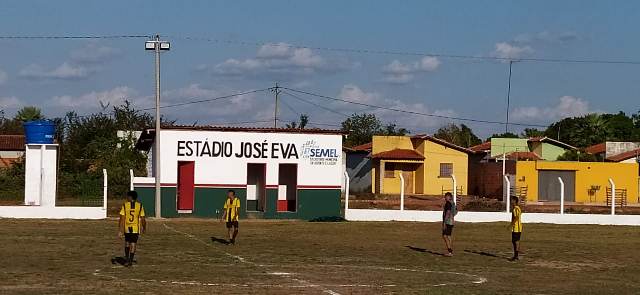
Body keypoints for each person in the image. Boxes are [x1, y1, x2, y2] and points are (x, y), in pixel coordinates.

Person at [118, 191, 146, 267]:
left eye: (128, 196)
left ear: (130, 197)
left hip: (127, 228)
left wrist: (120, 230)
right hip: (135, 228)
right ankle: (130, 261)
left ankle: (127, 259)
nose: (127, 198)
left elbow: (121, 218)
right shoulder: (139, 206)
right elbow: (143, 218)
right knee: (133, 243)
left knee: (127, 242)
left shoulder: (125, 205)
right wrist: (144, 227)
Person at [442, 192, 457, 257]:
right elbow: (456, 211)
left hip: (448, 222)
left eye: (446, 196)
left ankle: (450, 251)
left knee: (444, 236)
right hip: (452, 221)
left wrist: (444, 222)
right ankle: (450, 250)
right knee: (448, 236)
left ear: (449, 197)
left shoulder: (448, 203)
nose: (445, 198)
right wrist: (452, 216)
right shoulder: (453, 203)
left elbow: (447, 212)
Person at [510, 196, 523, 261]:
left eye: (512, 200)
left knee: (516, 241)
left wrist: (512, 224)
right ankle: (516, 255)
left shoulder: (516, 209)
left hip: (516, 228)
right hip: (516, 228)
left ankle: (516, 256)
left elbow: (516, 217)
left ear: (515, 201)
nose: (511, 201)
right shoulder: (516, 208)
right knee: (514, 241)